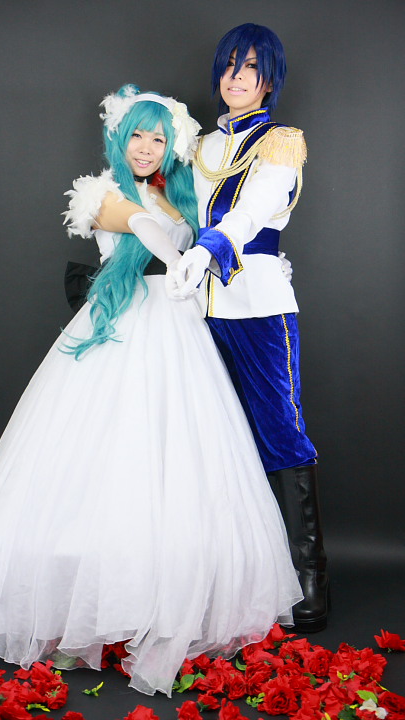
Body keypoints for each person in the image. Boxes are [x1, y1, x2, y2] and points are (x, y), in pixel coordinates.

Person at [0, 84, 302, 697]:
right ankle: (88, 601)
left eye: (159, 138)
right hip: (122, 325)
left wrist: (221, 247)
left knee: (178, 457)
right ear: (118, 140)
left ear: (172, 145)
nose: (147, 148)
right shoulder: (101, 193)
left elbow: (217, 226)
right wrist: (190, 252)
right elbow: (153, 233)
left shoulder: (181, 192)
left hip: (179, 327)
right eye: (137, 136)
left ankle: (167, 592)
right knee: (104, 454)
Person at [170, 23, 329, 632]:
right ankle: (229, 575)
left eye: (252, 67)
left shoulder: (282, 142)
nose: (237, 76)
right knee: (209, 435)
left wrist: (208, 249)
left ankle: (308, 574)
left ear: (269, 81)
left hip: (258, 305)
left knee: (279, 430)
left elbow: (253, 209)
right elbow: (174, 213)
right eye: (230, 64)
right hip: (193, 308)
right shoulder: (197, 146)